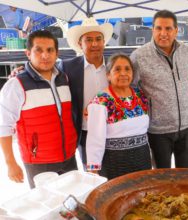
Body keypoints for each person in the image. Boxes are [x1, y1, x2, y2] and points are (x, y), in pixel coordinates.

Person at [0, 30, 78, 188]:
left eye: (50, 50)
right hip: (39, 162)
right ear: (28, 53)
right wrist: (10, 163)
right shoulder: (16, 85)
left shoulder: (64, 79)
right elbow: (3, 125)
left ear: (57, 53)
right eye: (39, 50)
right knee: (49, 208)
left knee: (72, 205)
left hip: (69, 156)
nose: (45, 55)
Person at [130, 10, 188, 168]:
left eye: (168, 29)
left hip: (187, 127)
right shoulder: (138, 56)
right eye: (158, 28)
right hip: (158, 131)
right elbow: (129, 88)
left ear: (176, 30)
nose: (163, 33)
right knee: (161, 178)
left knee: (186, 175)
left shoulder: (187, 52)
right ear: (152, 29)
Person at [85, 53, 151, 180]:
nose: (123, 73)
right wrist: (93, 170)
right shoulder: (101, 101)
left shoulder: (140, 95)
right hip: (114, 162)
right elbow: (95, 139)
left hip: (142, 158)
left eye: (127, 69)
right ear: (108, 75)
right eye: (117, 69)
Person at [60, 18, 113, 170]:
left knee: (115, 171)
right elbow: (47, 74)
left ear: (104, 42)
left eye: (98, 39)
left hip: (113, 130)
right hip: (85, 132)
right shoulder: (67, 66)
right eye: (88, 40)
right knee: (92, 173)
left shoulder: (114, 65)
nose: (94, 44)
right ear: (80, 44)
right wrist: (21, 70)